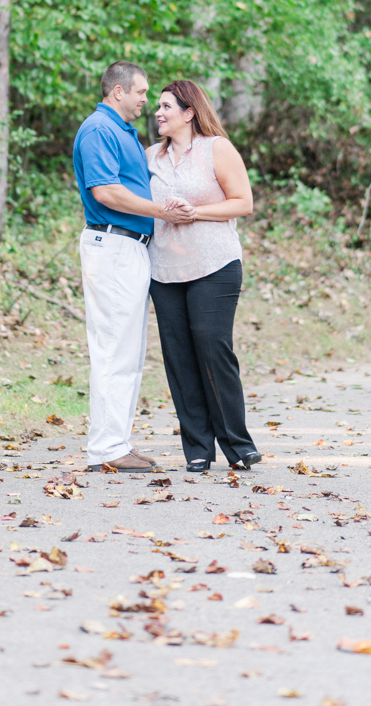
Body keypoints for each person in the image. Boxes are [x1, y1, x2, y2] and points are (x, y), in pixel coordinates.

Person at [73, 60, 195, 472]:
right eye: (142, 92)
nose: (147, 100)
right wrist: (162, 211)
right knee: (112, 347)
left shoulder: (122, 131)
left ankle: (116, 444)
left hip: (131, 248)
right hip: (113, 245)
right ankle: (106, 450)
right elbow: (106, 192)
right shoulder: (98, 129)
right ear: (118, 91)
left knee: (128, 351)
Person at [146, 80, 261, 474]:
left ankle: (238, 444)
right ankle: (197, 448)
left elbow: (243, 202)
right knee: (179, 359)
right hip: (164, 270)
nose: (158, 113)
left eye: (166, 106)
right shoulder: (149, 158)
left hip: (215, 264)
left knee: (213, 349)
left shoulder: (217, 148)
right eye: (157, 107)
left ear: (189, 112)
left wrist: (194, 212)